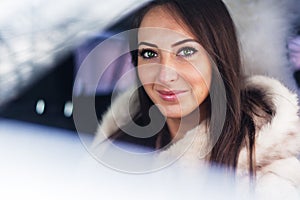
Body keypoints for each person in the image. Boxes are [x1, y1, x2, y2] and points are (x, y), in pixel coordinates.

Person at [92, 0, 300, 198]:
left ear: (218, 58)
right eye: (149, 54)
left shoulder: (269, 176)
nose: (165, 76)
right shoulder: (116, 149)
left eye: (185, 51)